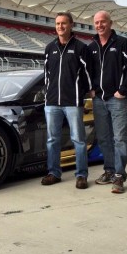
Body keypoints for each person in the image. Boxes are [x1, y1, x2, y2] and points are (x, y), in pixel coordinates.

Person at [88, 10, 127, 194]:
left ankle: (119, 175)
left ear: (110, 23)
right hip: (99, 100)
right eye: (96, 22)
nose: (100, 25)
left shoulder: (122, 44)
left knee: (120, 138)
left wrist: (122, 91)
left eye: (103, 21)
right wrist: (92, 89)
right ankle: (109, 171)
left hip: (117, 100)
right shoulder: (92, 46)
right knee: (103, 138)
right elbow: (87, 71)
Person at [42, 11, 92, 189]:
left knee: (78, 139)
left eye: (63, 23)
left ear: (71, 25)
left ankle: (81, 175)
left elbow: (87, 74)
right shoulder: (50, 48)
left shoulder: (80, 48)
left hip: (73, 102)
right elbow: (46, 74)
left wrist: (87, 92)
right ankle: (54, 173)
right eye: (57, 24)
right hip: (52, 102)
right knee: (52, 140)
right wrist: (48, 94)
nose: (60, 27)